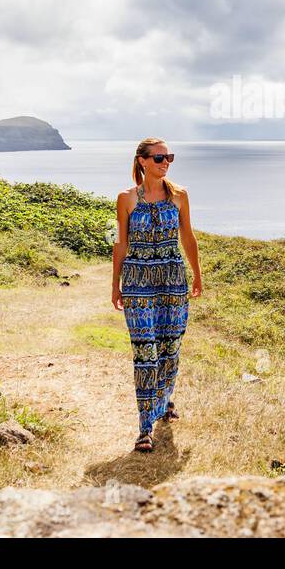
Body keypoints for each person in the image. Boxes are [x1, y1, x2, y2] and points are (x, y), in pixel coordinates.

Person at [111, 137, 202, 452]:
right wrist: (115, 284)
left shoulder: (179, 196)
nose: (166, 163)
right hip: (137, 283)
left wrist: (197, 276)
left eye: (169, 158)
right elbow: (120, 243)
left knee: (169, 348)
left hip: (173, 280)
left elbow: (188, 238)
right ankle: (144, 428)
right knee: (145, 353)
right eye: (160, 158)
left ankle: (164, 400)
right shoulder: (125, 199)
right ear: (142, 161)